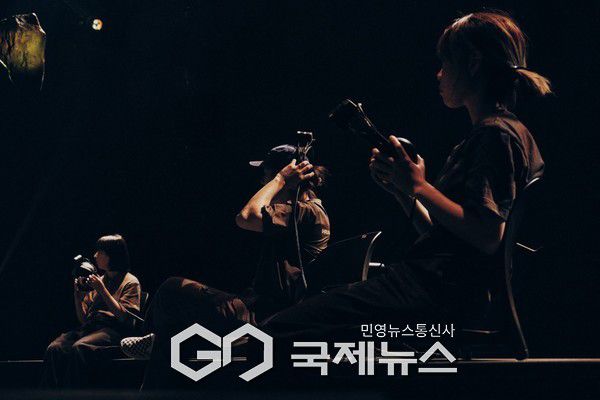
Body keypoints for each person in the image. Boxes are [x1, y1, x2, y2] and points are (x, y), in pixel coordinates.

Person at [260, 11, 548, 348]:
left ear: (472, 63)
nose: (439, 73)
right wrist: (404, 191)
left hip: (434, 292)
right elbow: (448, 236)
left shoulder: (496, 135)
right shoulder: (497, 134)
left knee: (276, 333)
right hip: (439, 288)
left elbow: (487, 237)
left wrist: (420, 186)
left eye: (446, 62)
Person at [129, 145, 330, 387]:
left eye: (265, 175)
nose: (262, 182)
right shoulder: (305, 212)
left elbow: (245, 217)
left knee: (171, 289)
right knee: (174, 330)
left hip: (265, 315)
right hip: (260, 307)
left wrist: (279, 179)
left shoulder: (304, 212)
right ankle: (159, 344)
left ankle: (155, 344)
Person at [41, 234, 141, 388]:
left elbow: (124, 317)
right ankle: (50, 394)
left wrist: (102, 290)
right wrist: (78, 297)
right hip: (91, 328)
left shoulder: (130, 281)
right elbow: (83, 320)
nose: (95, 255)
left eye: (100, 252)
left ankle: (74, 394)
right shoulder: (99, 280)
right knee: (55, 348)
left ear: (111, 255)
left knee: (80, 347)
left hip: (112, 329)